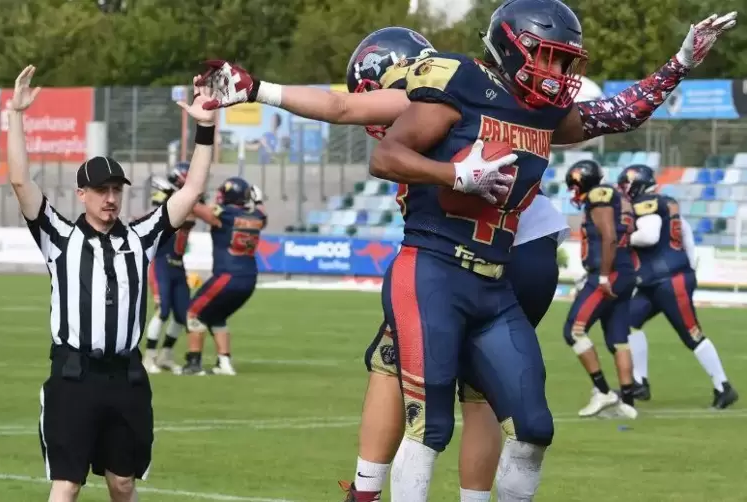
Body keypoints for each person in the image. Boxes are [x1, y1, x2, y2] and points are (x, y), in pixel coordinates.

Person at [199, 6, 736, 501]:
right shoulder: (456, 82)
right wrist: (256, 89)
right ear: (511, 48)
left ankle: (367, 491)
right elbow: (360, 124)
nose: (557, 71)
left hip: (499, 275)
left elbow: (617, 112)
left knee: (527, 424)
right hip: (438, 267)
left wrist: (681, 61)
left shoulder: (525, 106)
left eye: (563, 60)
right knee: (432, 416)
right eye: (549, 56)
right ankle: (366, 491)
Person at [9, 65, 216, 502]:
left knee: (123, 482)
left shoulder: (140, 238)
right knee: (66, 483)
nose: (110, 198)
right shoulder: (58, 237)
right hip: (73, 376)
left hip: (126, 377)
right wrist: (16, 115)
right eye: (100, 190)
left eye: (116, 189)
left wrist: (205, 128)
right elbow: (20, 180)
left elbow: (192, 189)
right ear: (81, 194)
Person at [617, 164, 738, 409]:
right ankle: (639, 382)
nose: (624, 190)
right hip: (658, 280)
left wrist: (622, 239)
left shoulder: (648, 203)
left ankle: (723, 386)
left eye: (627, 185)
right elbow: (687, 233)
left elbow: (649, 235)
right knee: (628, 321)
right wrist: (690, 266)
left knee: (691, 334)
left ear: (637, 183)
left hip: (667, 280)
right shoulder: (666, 202)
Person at [563, 160, 638, 419]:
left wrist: (604, 276)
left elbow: (609, 236)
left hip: (611, 270)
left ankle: (603, 391)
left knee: (573, 330)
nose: (573, 191)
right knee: (618, 338)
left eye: (574, 185)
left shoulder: (599, 194)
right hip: (625, 268)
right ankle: (627, 404)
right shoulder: (622, 197)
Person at [180, 177, 267, 376]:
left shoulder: (225, 214)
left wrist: (184, 192)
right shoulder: (256, 216)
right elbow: (263, 214)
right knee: (217, 316)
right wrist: (259, 201)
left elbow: (197, 209)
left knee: (193, 312)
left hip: (227, 276)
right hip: (249, 278)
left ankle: (194, 363)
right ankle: (224, 363)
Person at [144, 162, 221, 374]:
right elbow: (164, 214)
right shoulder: (165, 196)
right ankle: (148, 357)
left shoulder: (184, 197)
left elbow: (203, 214)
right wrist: (176, 196)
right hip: (161, 260)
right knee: (163, 311)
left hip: (178, 263)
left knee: (182, 314)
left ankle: (166, 355)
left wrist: (181, 196)